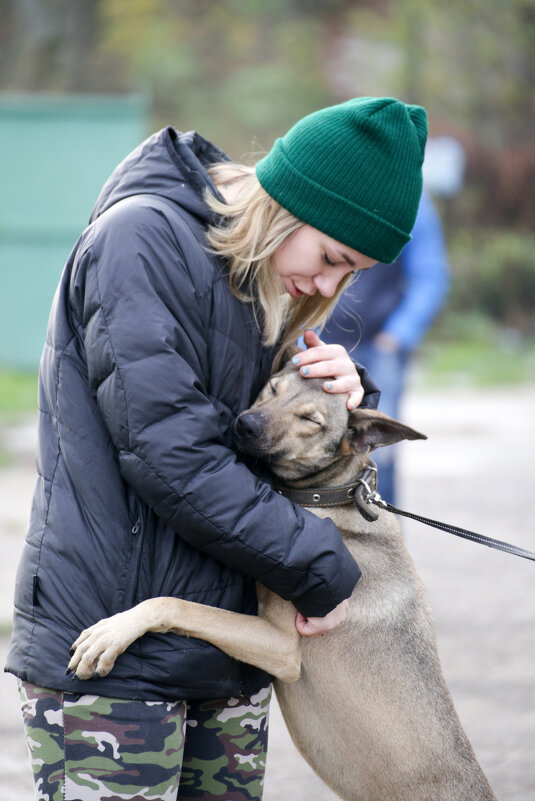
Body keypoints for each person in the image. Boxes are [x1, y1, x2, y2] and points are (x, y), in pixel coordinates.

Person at [6, 96, 427, 801]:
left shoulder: (255, 275)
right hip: (115, 660)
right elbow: (173, 455)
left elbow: (279, 446)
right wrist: (321, 567)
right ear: (290, 203)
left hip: (223, 665)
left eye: (348, 274)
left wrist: (347, 396)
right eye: (330, 257)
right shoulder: (141, 241)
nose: (328, 286)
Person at [322, 190, 449, 505]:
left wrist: (397, 335)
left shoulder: (415, 204)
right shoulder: (334, 186)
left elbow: (430, 275)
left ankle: (382, 537)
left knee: (377, 451)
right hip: (323, 342)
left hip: (380, 348)